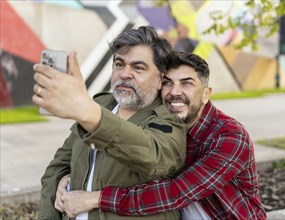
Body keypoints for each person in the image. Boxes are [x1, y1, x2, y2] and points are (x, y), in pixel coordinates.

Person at [56, 51, 267, 219]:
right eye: (168, 82)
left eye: (187, 83)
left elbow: (174, 193)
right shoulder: (161, 127)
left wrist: (97, 199)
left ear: (205, 94)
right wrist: (72, 178)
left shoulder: (229, 137)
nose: (175, 92)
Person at [32, 26, 187, 220]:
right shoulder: (100, 104)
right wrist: (56, 198)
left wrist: (87, 112)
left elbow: (152, 156)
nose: (124, 74)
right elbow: (57, 168)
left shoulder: (169, 121)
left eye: (138, 68)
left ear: (160, 79)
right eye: (119, 64)